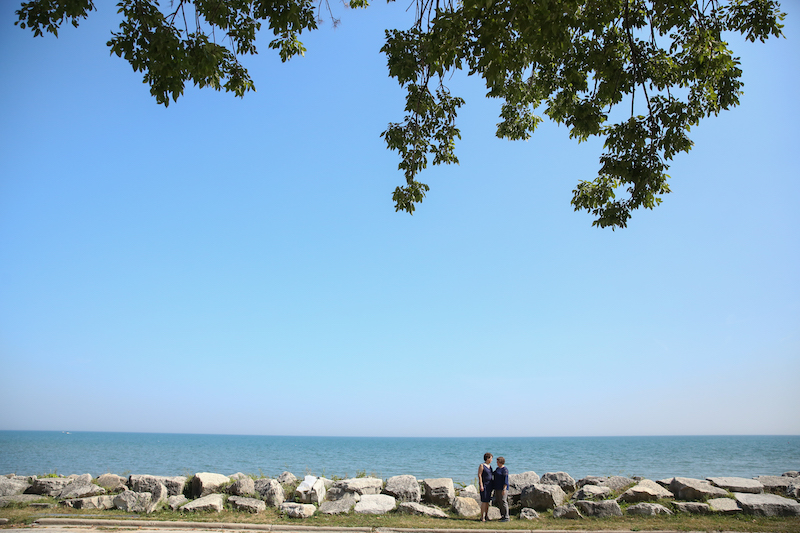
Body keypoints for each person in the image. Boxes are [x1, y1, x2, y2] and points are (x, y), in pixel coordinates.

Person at [492, 456, 510, 521]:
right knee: (499, 501)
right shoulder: (497, 469)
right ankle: (502, 515)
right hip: (497, 488)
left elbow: (506, 480)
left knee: (503, 501)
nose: (497, 463)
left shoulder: (505, 470)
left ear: (501, 462)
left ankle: (507, 517)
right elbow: (493, 474)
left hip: (503, 488)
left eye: (498, 461)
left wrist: (504, 489)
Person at [478, 452, 493, 521]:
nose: (491, 460)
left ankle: (486, 515)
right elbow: (479, 475)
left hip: (489, 485)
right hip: (484, 484)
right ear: (487, 458)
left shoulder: (490, 467)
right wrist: (481, 485)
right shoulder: (482, 465)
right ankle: (482, 516)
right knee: (484, 501)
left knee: (487, 501)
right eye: (491, 458)